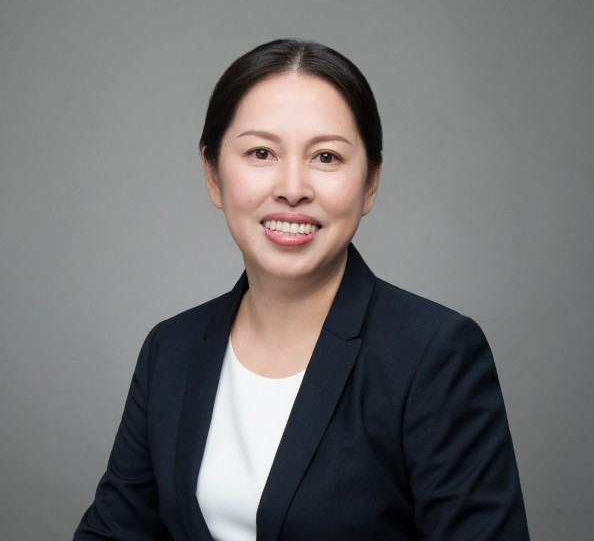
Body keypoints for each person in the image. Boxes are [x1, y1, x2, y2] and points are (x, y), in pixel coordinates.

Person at [74, 39, 529, 540]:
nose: (292, 188)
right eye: (261, 152)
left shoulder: (435, 355)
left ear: (371, 182)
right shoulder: (171, 349)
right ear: (213, 174)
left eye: (326, 156)